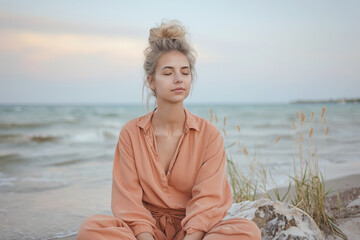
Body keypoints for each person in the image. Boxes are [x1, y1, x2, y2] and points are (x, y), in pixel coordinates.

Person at [77, 20, 261, 240]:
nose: (178, 79)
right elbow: (128, 202)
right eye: (167, 73)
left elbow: (208, 202)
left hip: (193, 231)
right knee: (92, 228)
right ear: (151, 81)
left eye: (185, 72)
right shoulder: (130, 133)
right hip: (145, 232)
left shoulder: (209, 134)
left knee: (247, 231)